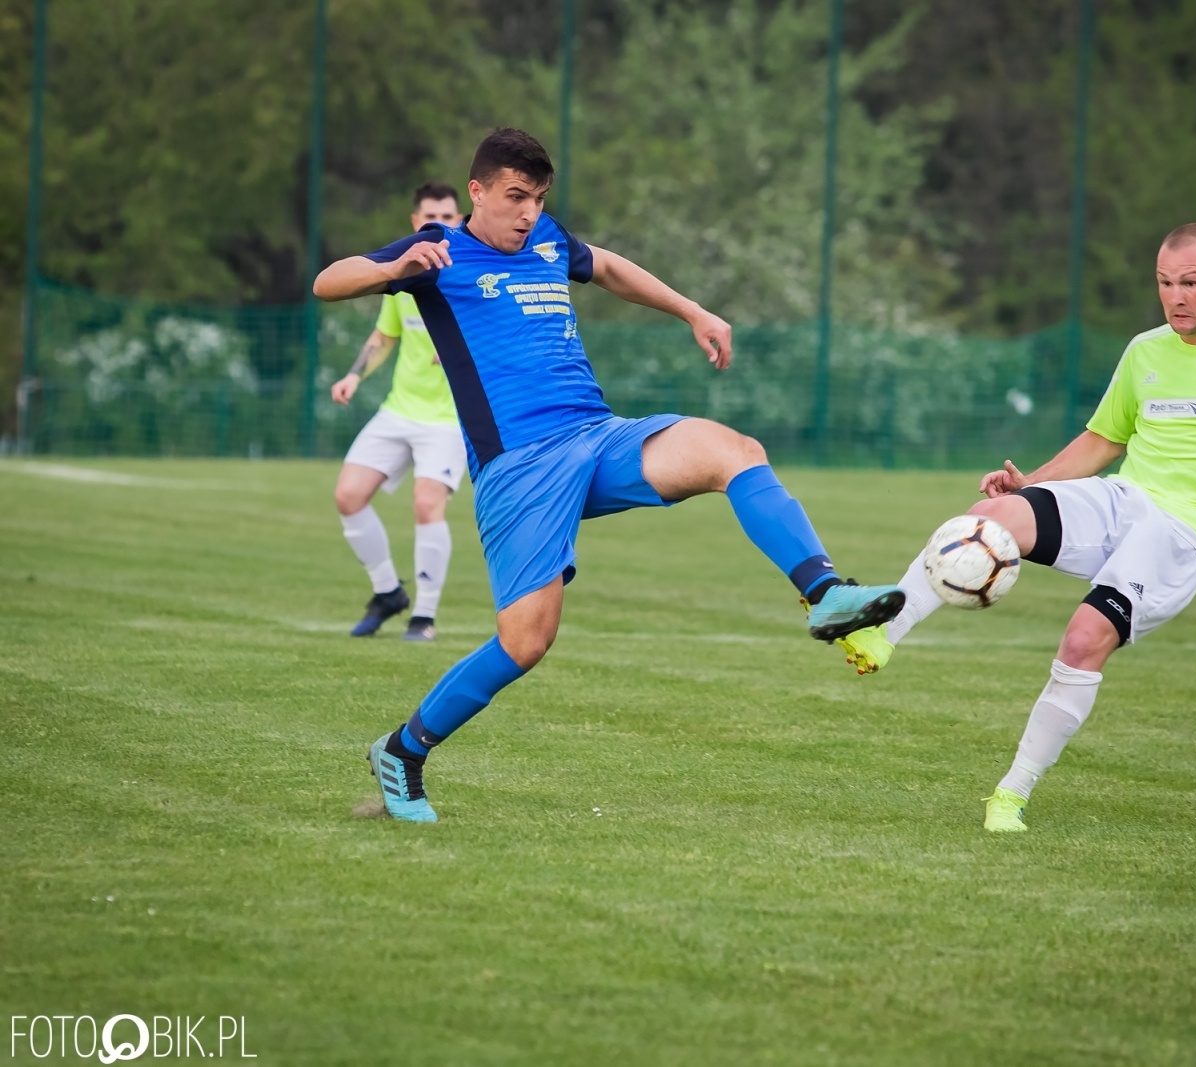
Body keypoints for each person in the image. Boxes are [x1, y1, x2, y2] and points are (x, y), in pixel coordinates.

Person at [313, 128, 904, 822]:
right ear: (476, 193)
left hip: (597, 436)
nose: (527, 212)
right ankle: (403, 751)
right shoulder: (437, 253)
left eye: (536, 199)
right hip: (521, 470)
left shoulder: (548, 239)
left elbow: (611, 267)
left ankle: (826, 592)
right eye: (513, 197)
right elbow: (328, 281)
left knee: (734, 450)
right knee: (526, 641)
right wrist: (393, 267)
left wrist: (692, 310)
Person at [835, 223, 1196, 832]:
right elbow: (1104, 439)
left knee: (1083, 639)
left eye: (1190, 283)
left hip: (1183, 538)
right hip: (1125, 500)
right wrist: (1033, 487)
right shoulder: (1145, 350)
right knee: (991, 516)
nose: (1176, 297)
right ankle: (881, 631)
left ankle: (1011, 795)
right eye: (1164, 283)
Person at [332, 183, 467, 642]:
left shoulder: (469, 274)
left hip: (449, 418)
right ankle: (388, 592)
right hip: (399, 409)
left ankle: (423, 618)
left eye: (450, 216)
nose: (442, 224)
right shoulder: (407, 277)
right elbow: (385, 336)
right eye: (432, 216)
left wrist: (460, 353)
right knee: (348, 496)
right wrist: (354, 375)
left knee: (427, 505)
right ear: (416, 223)